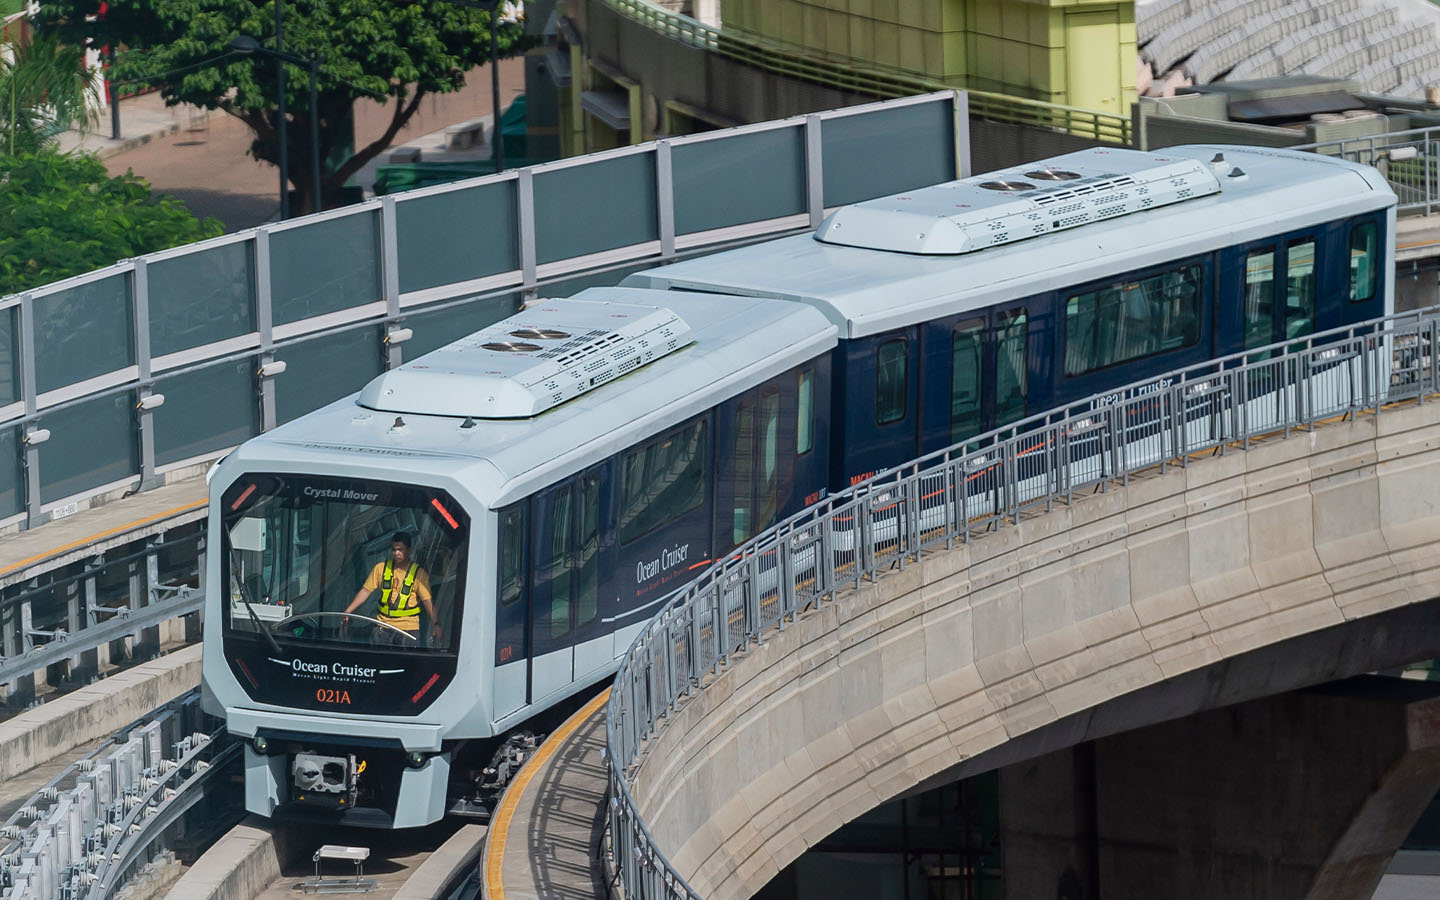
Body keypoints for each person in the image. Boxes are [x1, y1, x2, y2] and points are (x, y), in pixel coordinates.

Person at [343, 532, 443, 645]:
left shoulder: (419, 574)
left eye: (400, 550)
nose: (396, 553)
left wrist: (436, 624)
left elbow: (427, 601)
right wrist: (348, 611)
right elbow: (365, 591)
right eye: (394, 550)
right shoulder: (381, 568)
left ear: (409, 550)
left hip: (408, 630)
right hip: (383, 628)